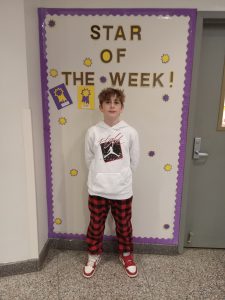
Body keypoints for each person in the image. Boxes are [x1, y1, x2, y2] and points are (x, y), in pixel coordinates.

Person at [83, 87, 140, 278]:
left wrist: (120, 175)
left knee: (123, 224)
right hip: (98, 188)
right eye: (108, 102)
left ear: (122, 107)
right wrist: (101, 175)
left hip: (122, 189)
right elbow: (89, 158)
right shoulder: (93, 131)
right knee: (96, 224)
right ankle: (93, 254)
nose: (112, 105)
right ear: (101, 107)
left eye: (116, 102)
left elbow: (134, 160)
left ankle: (126, 254)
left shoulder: (130, 132)